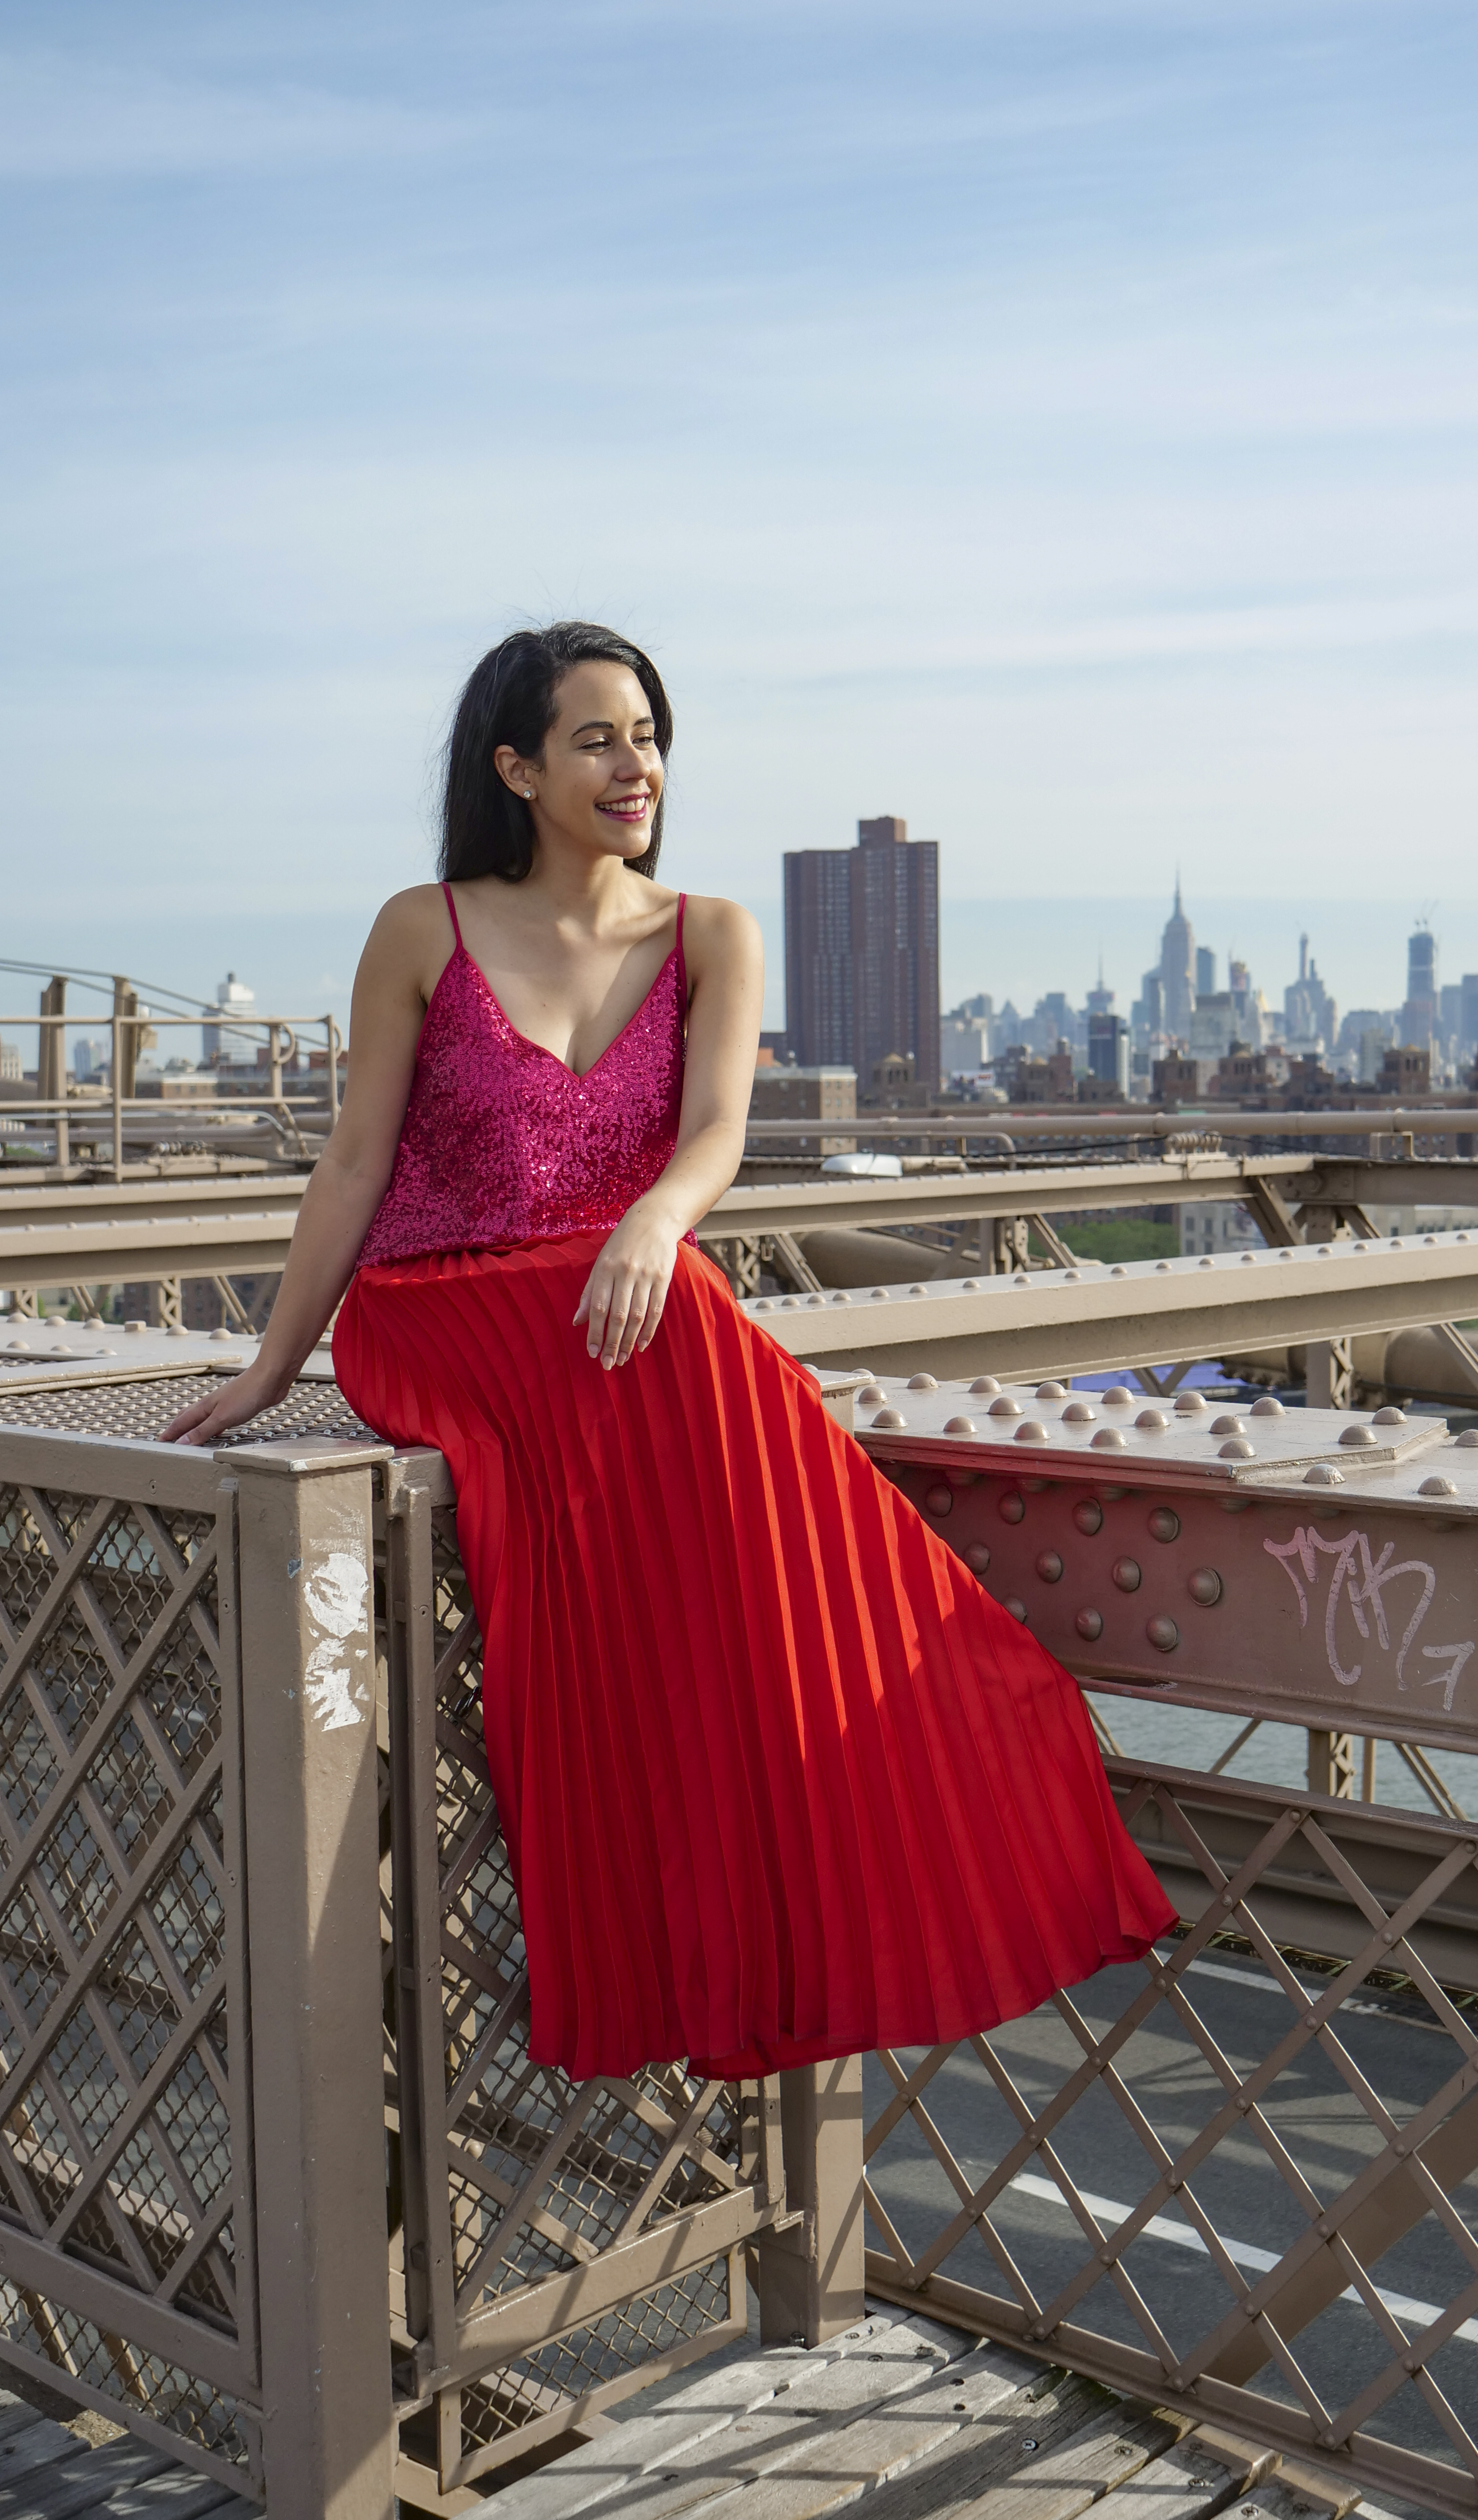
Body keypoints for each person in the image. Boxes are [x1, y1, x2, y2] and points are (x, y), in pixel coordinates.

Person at [160, 621, 1175, 2079]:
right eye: (597, 738)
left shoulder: (710, 931)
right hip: (440, 1311)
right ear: (515, 767)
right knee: (644, 1476)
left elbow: (716, 1138)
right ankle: (661, 1946)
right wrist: (273, 1369)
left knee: (753, 1552)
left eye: (647, 735)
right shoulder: (421, 927)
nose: (637, 765)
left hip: (623, 1304)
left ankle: (865, 1828)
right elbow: (356, 1160)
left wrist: (652, 1228)